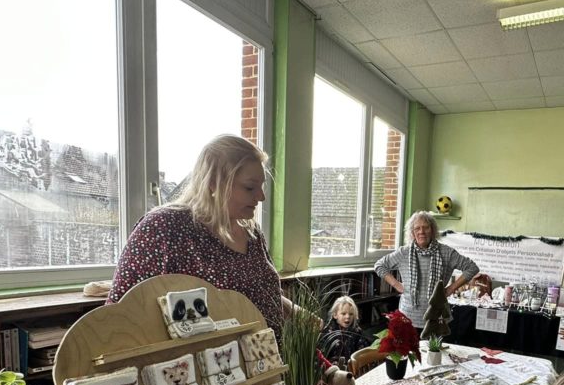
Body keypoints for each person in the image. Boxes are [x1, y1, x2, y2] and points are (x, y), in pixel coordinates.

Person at [107, 134, 314, 340]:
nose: (261, 196)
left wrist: (294, 311)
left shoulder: (253, 233)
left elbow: (260, 292)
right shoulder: (164, 227)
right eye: (250, 187)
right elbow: (118, 313)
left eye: (261, 186)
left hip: (268, 366)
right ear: (214, 183)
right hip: (202, 368)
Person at [373, 210, 479, 328]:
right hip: (407, 316)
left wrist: (450, 289)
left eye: (426, 228)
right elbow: (379, 265)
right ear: (412, 233)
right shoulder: (404, 253)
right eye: (417, 228)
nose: (421, 232)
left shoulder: (446, 252)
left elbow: (472, 268)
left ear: (432, 230)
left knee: (434, 347)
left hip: (437, 317)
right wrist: (396, 284)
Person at [317, 295, 371, 366]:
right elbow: (321, 354)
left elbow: (364, 351)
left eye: (351, 314)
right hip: (332, 369)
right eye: (343, 313)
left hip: (352, 368)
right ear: (335, 315)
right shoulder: (327, 332)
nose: (348, 317)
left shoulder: (357, 331)